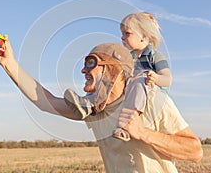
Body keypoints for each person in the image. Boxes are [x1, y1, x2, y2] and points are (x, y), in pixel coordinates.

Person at [0, 40, 202, 172]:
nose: (83, 70)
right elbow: (45, 101)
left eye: (91, 63)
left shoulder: (151, 98)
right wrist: (9, 64)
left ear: (115, 70)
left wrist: (143, 133)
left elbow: (195, 151)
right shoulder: (93, 109)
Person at [65, 12, 173, 141]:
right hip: (132, 91)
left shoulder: (155, 56)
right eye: (122, 34)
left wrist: (156, 78)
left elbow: (168, 79)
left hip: (150, 94)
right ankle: (88, 104)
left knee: (140, 80)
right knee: (106, 76)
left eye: (127, 33)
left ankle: (126, 124)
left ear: (143, 36)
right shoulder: (129, 57)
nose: (122, 37)